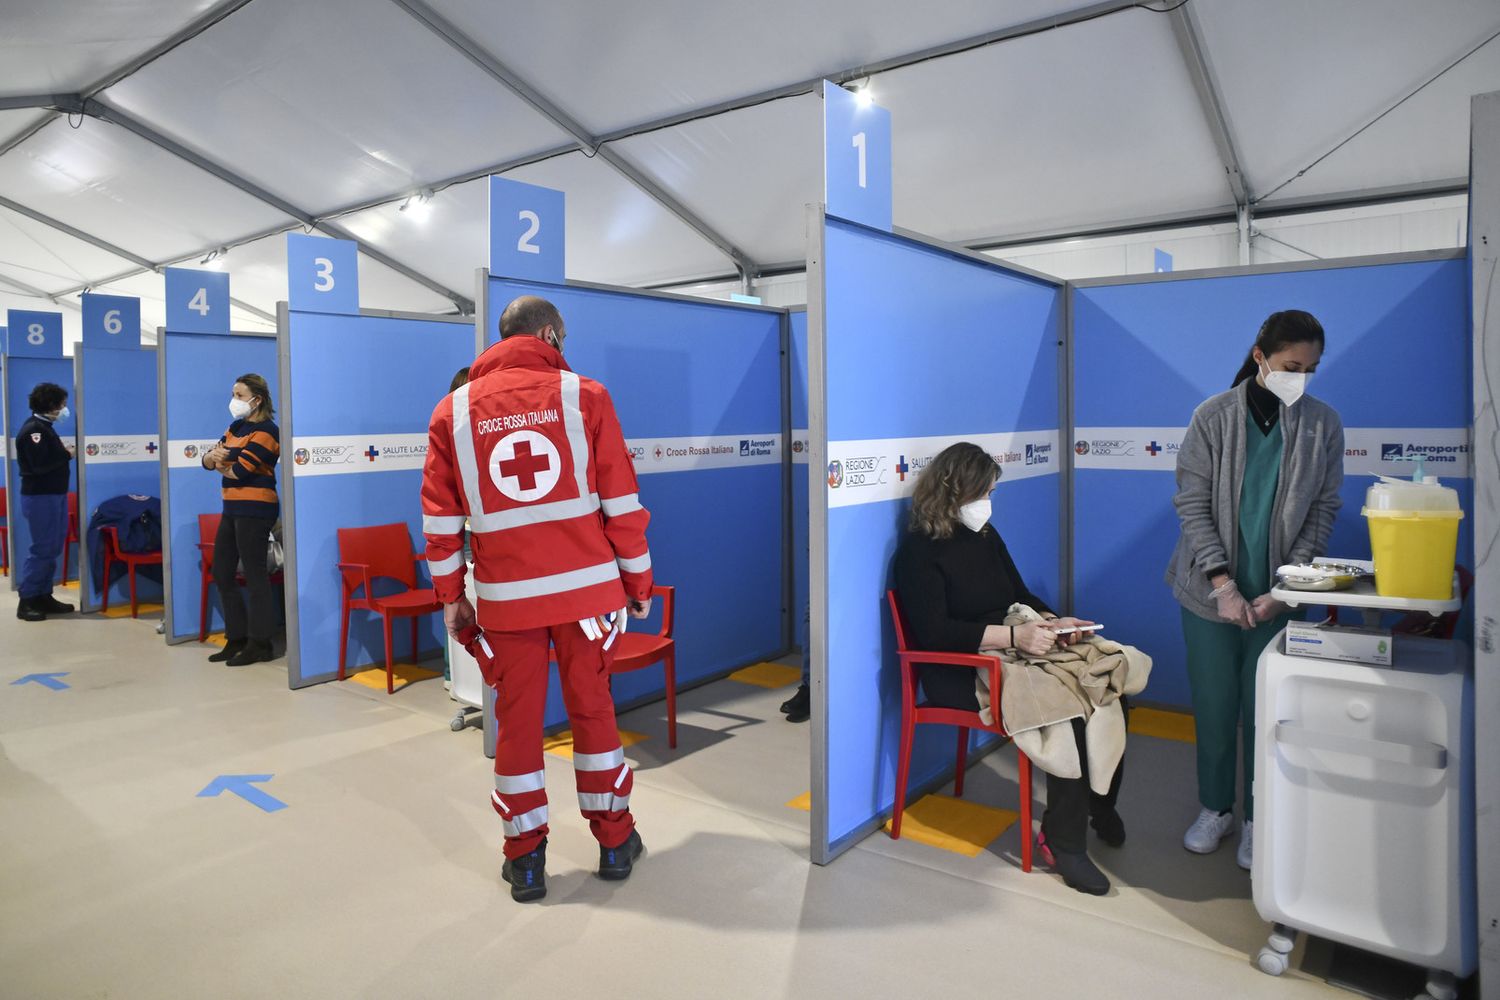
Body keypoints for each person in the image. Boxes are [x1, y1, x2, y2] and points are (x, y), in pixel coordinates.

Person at [422, 295, 653, 903]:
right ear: (549, 333)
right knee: (593, 712)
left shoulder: (453, 411)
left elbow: (440, 522)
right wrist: (639, 583)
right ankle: (614, 844)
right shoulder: (587, 397)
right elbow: (621, 503)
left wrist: (452, 597)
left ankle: (525, 863)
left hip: (506, 602)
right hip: (587, 598)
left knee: (518, 726)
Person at [895, 442, 1125, 895]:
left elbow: (1018, 594)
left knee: (1107, 686)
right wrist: (1015, 638)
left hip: (1007, 651)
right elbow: (934, 633)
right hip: (957, 671)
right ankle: (1063, 844)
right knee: (1069, 709)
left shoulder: (985, 536)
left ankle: (1099, 802)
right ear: (952, 489)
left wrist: (1055, 622)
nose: (988, 504)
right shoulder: (918, 553)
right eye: (983, 493)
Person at [1167, 310, 1343, 871]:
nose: (1302, 378)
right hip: (1206, 593)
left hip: (1277, 596)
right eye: (1293, 366)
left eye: (1312, 370)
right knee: (1217, 706)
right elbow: (1192, 505)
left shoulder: (1323, 425)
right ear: (1261, 356)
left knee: (1266, 710)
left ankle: (1256, 817)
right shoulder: (1213, 417)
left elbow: (1322, 511)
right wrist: (1222, 582)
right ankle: (1215, 808)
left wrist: (1286, 587)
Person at [202, 374, 281, 667]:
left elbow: (241, 471)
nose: (234, 400)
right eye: (233, 393)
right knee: (222, 572)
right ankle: (235, 638)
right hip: (232, 508)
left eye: (239, 394)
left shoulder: (267, 431)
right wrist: (214, 458)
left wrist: (218, 460)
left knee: (255, 575)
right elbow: (206, 460)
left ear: (257, 399)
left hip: (257, 509)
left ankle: (260, 643)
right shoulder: (236, 426)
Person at [14, 382, 75, 622]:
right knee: (42, 549)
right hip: (40, 497)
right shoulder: (34, 430)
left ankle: (43, 595)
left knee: (52, 548)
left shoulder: (46, 427)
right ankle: (27, 599)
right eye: (61, 404)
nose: (64, 408)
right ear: (51, 405)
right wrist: (66, 454)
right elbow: (40, 465)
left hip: (54, 495)